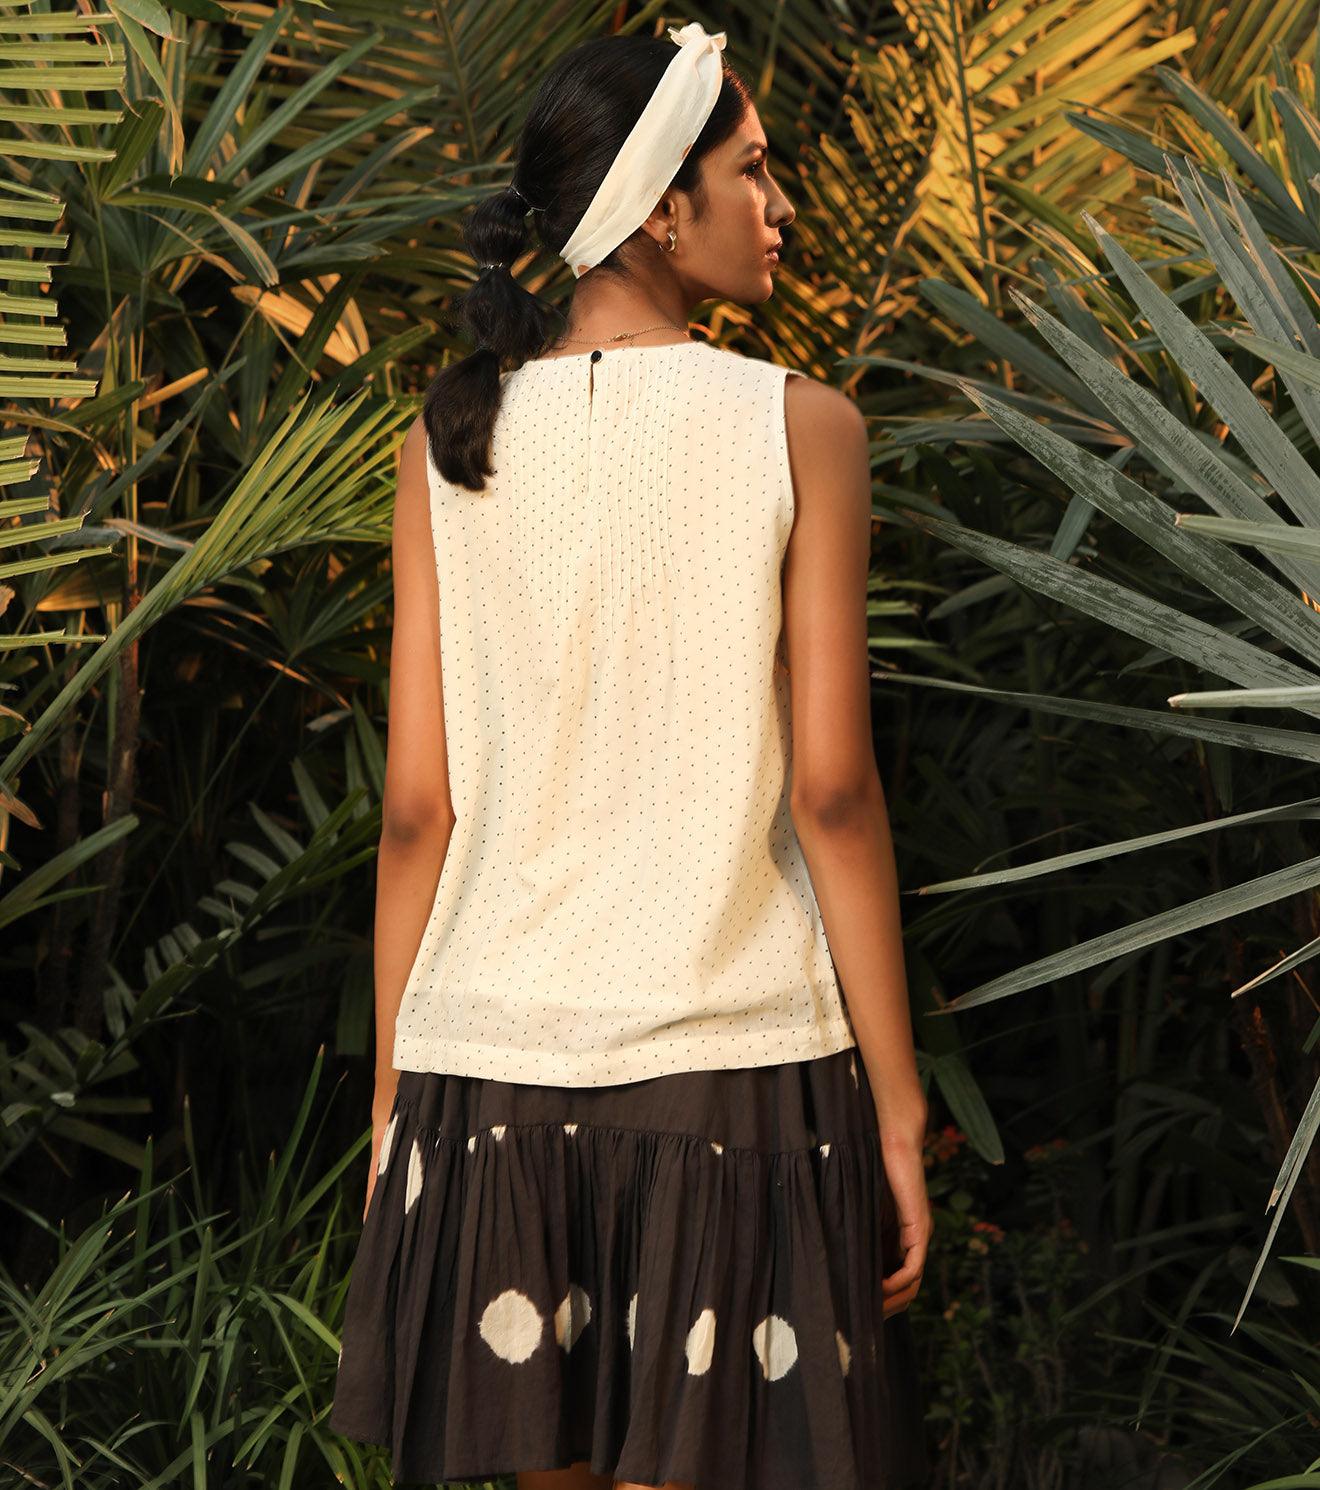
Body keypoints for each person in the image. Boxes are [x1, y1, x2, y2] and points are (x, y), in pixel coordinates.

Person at [329, 20, 932, 1490]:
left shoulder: (448, 446)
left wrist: (394, 1093)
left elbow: (416, 814)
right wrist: (901, 1110)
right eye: (754, 170)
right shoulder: (800, 428)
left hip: (488, 1073)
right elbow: (833, 792)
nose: (779, 203)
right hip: (728, 1069)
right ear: (665, 206)